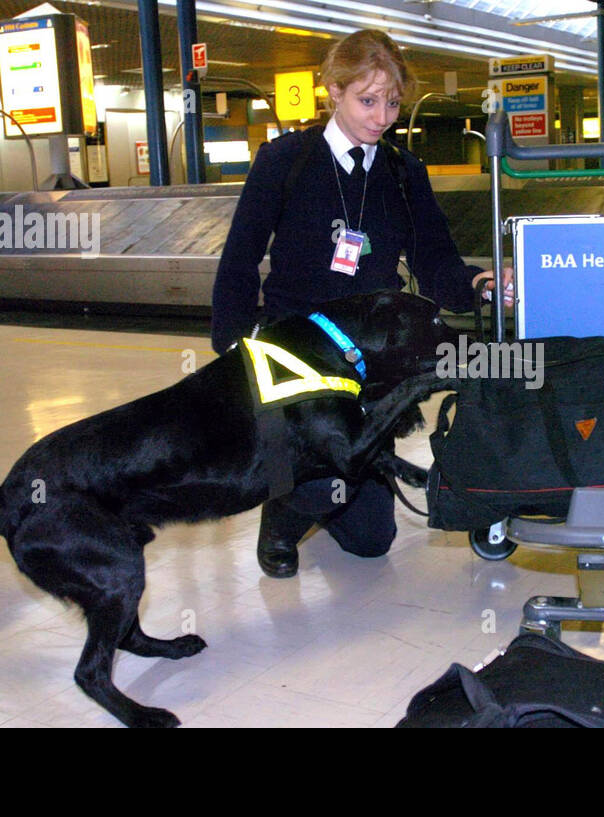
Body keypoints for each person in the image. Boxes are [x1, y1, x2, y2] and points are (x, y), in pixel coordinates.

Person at [211, 28, 512, 579]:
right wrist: (234, 340)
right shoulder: (285, 161)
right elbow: (239, 259)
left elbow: (435, 262)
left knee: (373, 541)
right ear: (334, 90)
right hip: (294, 350)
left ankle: (315, 491)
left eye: (392, 103)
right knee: (311, 469)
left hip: (369, 354)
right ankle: (283, 509)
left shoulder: (404, 173)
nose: (381, 117)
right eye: (367, 100)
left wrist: (479, 284)